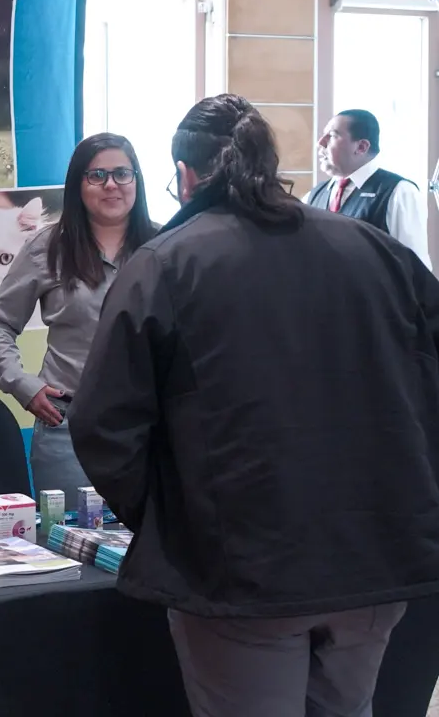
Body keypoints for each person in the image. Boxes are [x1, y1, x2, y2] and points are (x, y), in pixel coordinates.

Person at [68, 93, 439, 717]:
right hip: (376, 554)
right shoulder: (376, 251)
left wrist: (172, 519)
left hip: (241, 564)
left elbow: (103, 424)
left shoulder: (165, 264)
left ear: (185, 175)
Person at [0, 133, 156, 512]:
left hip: (150, 429)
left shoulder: (165, 247)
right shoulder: (49, 248)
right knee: (68, 542)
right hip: (67, 430)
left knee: (150, 541)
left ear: (137, 181)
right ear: (78, 185)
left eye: (122, 173)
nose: (111, 184)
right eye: (97, 175)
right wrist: (21, 383)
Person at [306, 108, 431, 268]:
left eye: (332, 135)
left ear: (361, 147)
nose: (320, 143)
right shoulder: (315, 195)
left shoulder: (399, 192)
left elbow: (416, 269)